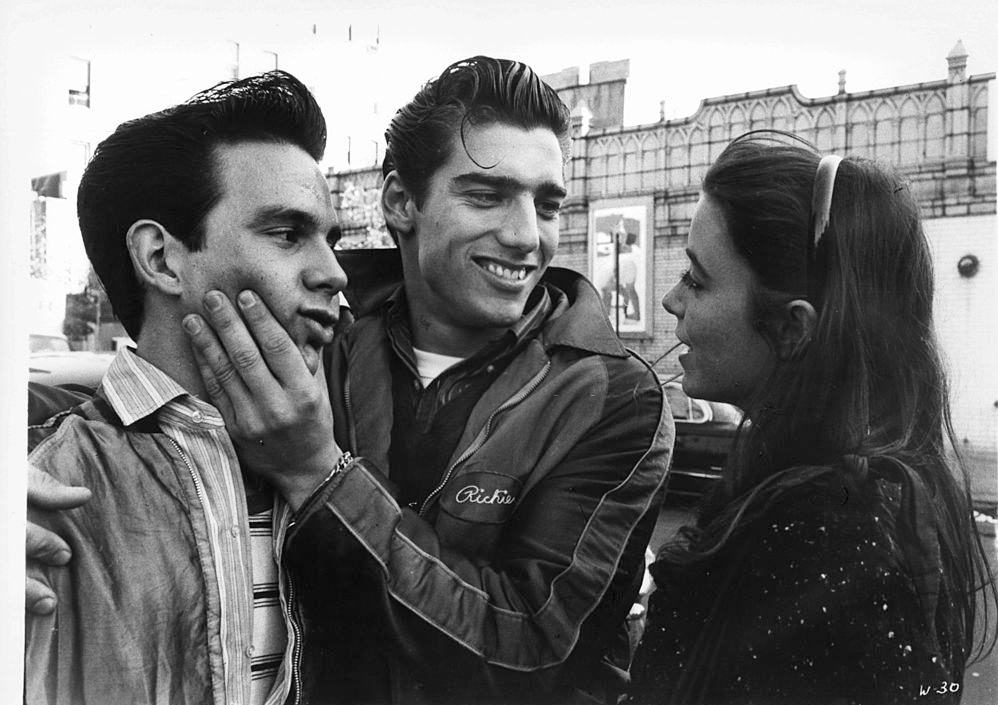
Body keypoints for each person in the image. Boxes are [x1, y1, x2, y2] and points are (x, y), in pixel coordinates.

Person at [29, 56, 674, 705]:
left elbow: (529, 654)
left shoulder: (612, 397)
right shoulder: (320, 338)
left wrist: (320, 474)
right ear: (399, 202)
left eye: (549, 203)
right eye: (487, 194)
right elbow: (138, 404)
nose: (526, 235)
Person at [626, 132, 997, 704]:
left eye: (698, 279)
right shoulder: (843, 494)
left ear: (793, 328)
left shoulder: (822, 532)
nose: (673, 299)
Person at [26, 71, 347, 704]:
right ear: (161, 259)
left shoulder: (343, 447)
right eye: (287, 234)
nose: (334, 273)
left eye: (328, 238)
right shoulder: (47, 493)